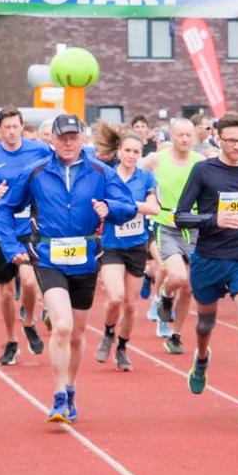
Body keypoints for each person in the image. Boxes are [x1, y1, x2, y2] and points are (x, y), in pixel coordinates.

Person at [0, 114, 138, 423]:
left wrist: (110, 209)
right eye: (62, 137)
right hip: (48, 257)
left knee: (78, 332)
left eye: (73, 137)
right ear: (52, 140)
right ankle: (58, 395)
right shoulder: (36, 171)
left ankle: (70, 387)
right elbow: (5, 207)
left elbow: (128, 207)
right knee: (62, 325)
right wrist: (11, 247)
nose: (68, 142)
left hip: (85, 258)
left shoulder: (101, 172)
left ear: (83, 138)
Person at [176, 113, 238, 425]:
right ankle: (201, 358)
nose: (236, 146)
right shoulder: (204, 170)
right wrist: (213, 219)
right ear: (218, 138)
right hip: (208, 257)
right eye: (231, 140)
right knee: (205, 324)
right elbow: (180, 216)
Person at [0, 107, 52, 364]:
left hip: (29, 228)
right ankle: (11, 341)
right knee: (6, 292)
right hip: (1, 229)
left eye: (15, 127)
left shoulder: (38, 150)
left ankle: (29, 321)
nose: (10, 131)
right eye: (6, 127)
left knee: (29, 282)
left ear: (21, 126)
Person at [93, 130, 157, 373]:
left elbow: (154, 208)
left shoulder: (146, 178)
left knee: (130, 305)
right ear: (119, 151)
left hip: (136, 246)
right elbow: (99, 205)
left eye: (136, 152)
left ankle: (122, 347)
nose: (131, 155)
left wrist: (126, 206)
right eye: (127, 150)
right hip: (112, 246)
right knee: (115, 297)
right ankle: (108, 332)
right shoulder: (107, 177)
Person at [143, 118, 201, 354]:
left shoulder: (201, 162)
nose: (185, 139)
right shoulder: (157, 159)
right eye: (180, 135)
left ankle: (175, 335)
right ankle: (165, 296)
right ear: (172, 135)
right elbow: (131, 172)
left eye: (188, 135)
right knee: (176, 276)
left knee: (188, 288)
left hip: (195, 226)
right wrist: (147, 199)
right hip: (166, 224)